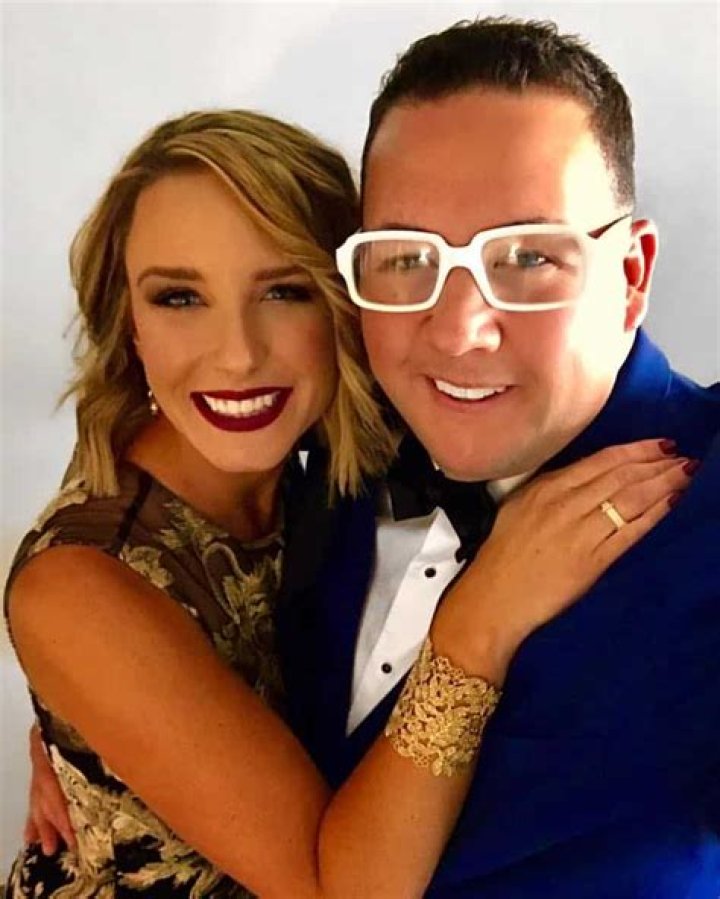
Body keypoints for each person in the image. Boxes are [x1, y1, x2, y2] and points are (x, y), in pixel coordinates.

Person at [4, 108, 686, 898]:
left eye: (284, 290)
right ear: (128, 322)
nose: (238, 354)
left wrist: (93, 738)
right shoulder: (78, 586)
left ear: (354, 302)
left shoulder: (352, 456)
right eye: (179, 298)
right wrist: (480, 620)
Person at [276, 17, 720, 898]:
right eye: (407, 258)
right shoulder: (323, 453)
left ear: (631, 276)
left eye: (527, 256)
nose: (457, 330)